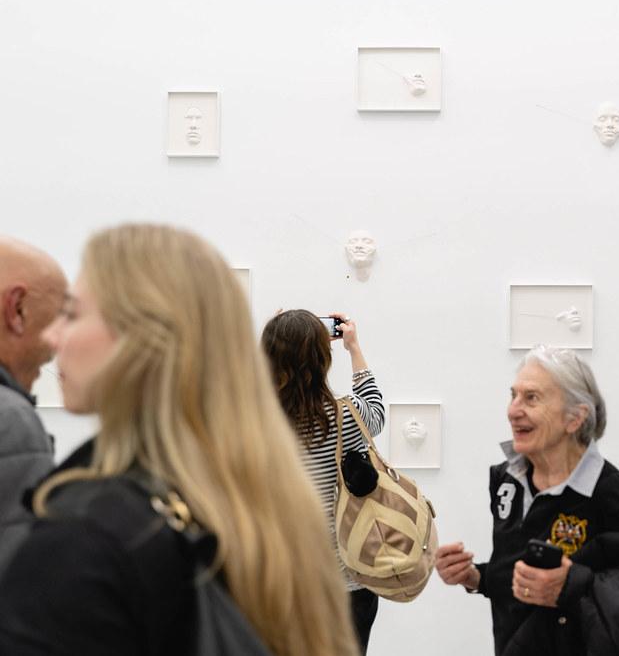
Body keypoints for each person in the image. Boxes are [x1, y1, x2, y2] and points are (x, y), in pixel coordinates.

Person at [0, 224, 359, 656]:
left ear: (141, 339)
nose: (53, 337)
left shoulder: (89, 534)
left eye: (73, 314)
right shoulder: (238, 506)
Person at [435, 346, 619, 656]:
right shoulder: (506, 481)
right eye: (513, 395)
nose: (513, 410)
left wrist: (572, 586)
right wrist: (475, 577)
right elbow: (517, 573)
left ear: (575, 418)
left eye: (531, 398)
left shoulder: (610, 493)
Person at [261, 309, 384, 654]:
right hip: (347, 581)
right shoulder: (346, 414)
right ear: (322, 358)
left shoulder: (258, 418)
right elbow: (376, 412)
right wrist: (353, 347)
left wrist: (270, 340)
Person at [0, 237, 67, 575]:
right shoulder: (11, 421)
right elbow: (22, 579)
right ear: (17, 309)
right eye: (61, 318)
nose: (60, 342)